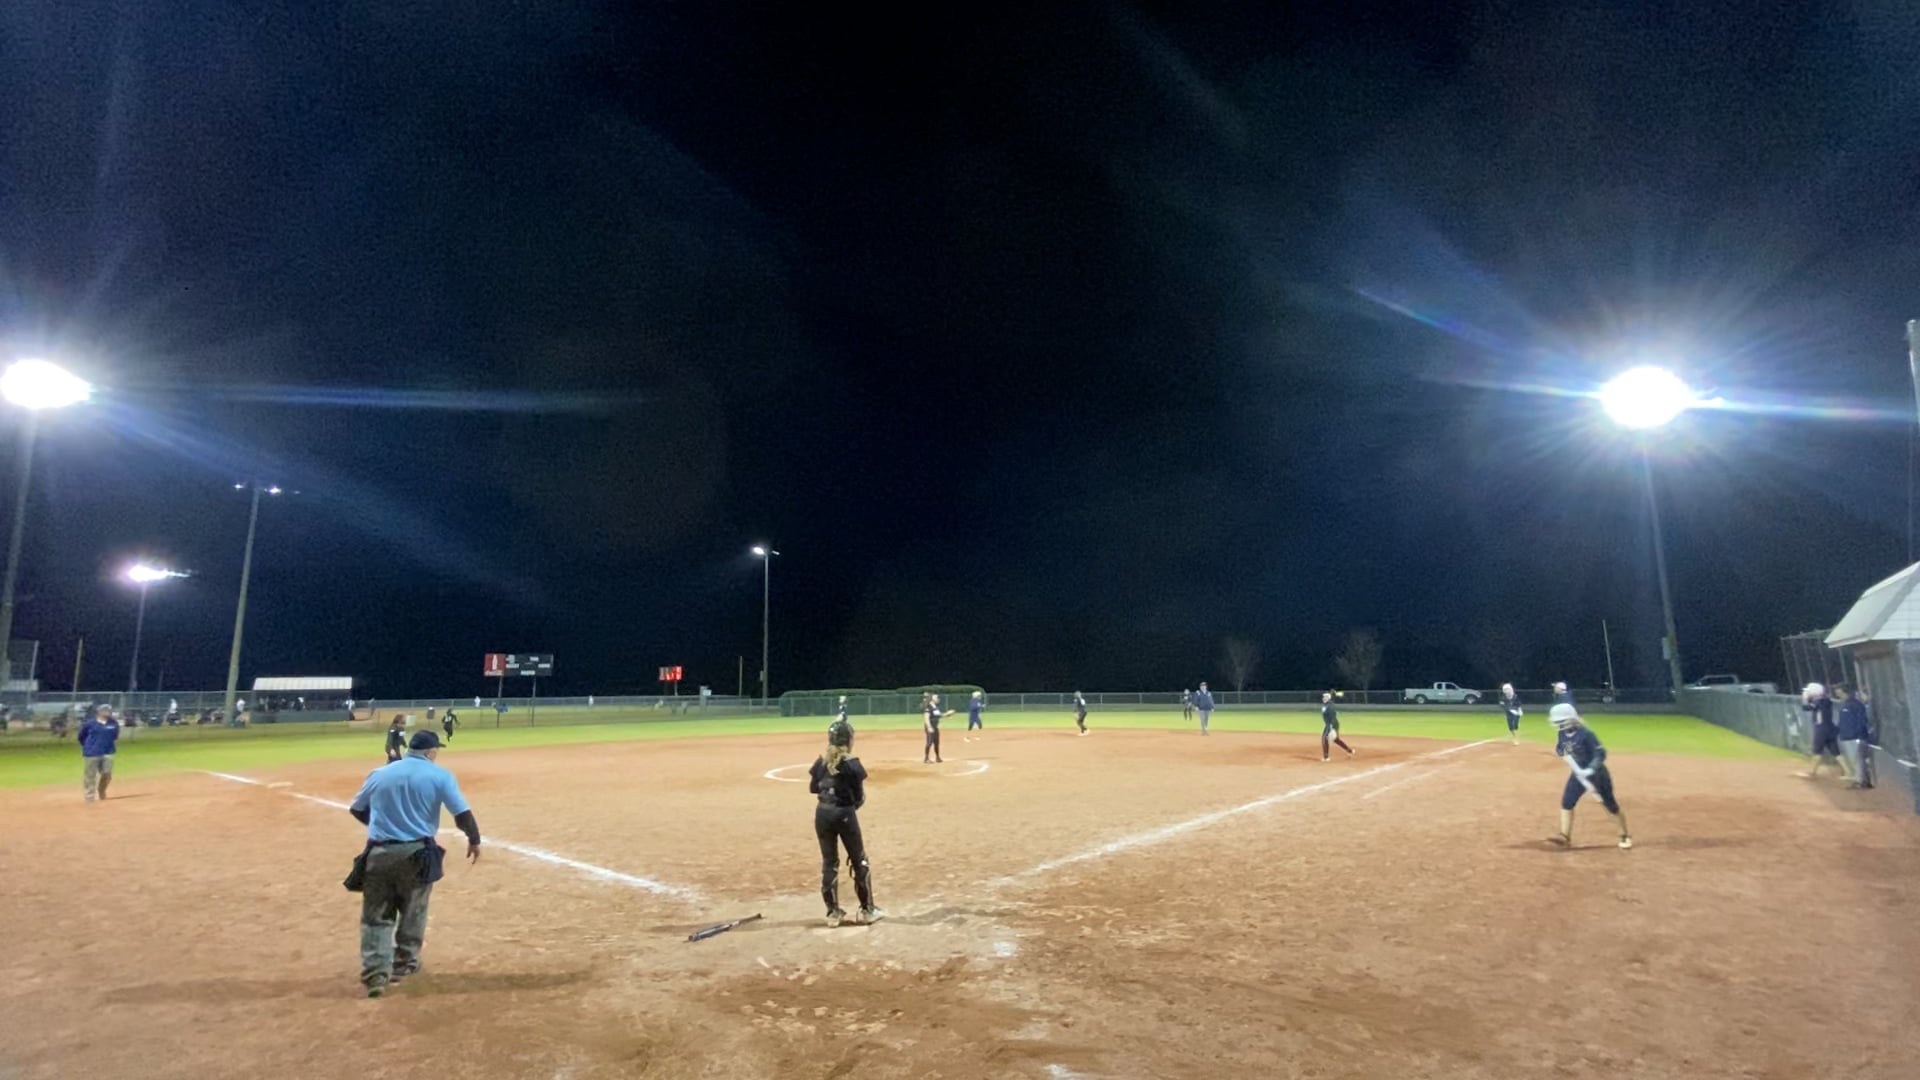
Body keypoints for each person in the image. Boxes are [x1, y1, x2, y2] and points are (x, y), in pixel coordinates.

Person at [348, 730, 481, 998]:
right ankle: (405, 963)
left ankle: (376, 974)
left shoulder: (380, 773)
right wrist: (474, 839)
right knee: (414, 910)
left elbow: (357, 808)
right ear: (431, 752)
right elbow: (461, 813)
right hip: (417, 853)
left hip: (379, 852)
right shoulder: (440, 775)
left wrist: (384, 826)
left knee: (376, 916)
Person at [808, 719, 882, 928]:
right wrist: (847, 809)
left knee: (829, 863)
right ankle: (868, 910)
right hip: (844, 814)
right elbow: (859, 797)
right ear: (848, 740)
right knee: (859, 860)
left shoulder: (821, 762)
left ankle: (833, 913)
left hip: (822, 815)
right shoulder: (852, 764)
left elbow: (813, 788)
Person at [1549, 703, 1632, 849]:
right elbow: (1561, 747)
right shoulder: (1562, 733)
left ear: (1571, 719)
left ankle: (1624, 835)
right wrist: (1560, 751)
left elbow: (1600, 753)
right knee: (1567, 802)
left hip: (1597, 775)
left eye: (1561, 721)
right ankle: (1564, 836)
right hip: (1578, 774)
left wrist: (1590, 770)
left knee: (1610, 805)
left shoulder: (1585, 734)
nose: (1559, 725)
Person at [1799, 682, 1844, 780]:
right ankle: (1848, 771)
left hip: (1821, 729)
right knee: (1836, 752)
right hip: (1830, 728)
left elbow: (1805, 707)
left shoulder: (1819, 702)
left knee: (1817, 751)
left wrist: (1804, 699)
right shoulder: (1826, 700)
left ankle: (1812, 773)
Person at [78, 704, 122, 802]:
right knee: (90, 775)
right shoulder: (90, 724)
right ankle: (89, 796)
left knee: (107, 774)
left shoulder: (113, 723)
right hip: (92, 752)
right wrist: (89, 746)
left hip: (108, 751)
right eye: (105, 710)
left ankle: (101, 790)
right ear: (99, 712)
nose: (107, 712)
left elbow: (115, 736)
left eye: (109, 710)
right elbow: (81, 736)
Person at [1834, 684, 1872, 790]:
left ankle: (1861, 781)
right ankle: (1860, 780)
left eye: (1840, 693)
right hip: (1847, 736)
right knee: (1854, 759)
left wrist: (1857, 734)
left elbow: (1862, 721)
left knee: (1858, 759)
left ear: (1845, 692)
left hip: (1856, 737)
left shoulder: (1855, 704)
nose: (1838, 695)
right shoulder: (1844, 705)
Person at [1319, 691, 1354, 761]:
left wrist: (1331, 726)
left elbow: (1332, 717)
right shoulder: (1327, 704)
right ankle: (1349, 750)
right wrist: (1333, 694)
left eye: (1325, 697)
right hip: (1330, 724)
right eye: (1323, 697)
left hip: (1332, 724)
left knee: (1324, 738)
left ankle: (1326, 757)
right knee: (1335, 739)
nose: (1323, 698)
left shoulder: (1330, 706)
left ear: (1328, 698)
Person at [923, 694, 947, 764]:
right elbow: (926, 718)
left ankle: (937, 757)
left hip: (935, 727)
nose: (937, 698)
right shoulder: (928, 707)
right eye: (936, 697)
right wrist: (929, 727)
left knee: (936, 742)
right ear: (931, 699)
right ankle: (926, 758)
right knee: (929, 742)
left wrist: (947, 714)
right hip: (930, 727)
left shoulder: (936, 707)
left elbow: (939, 715)